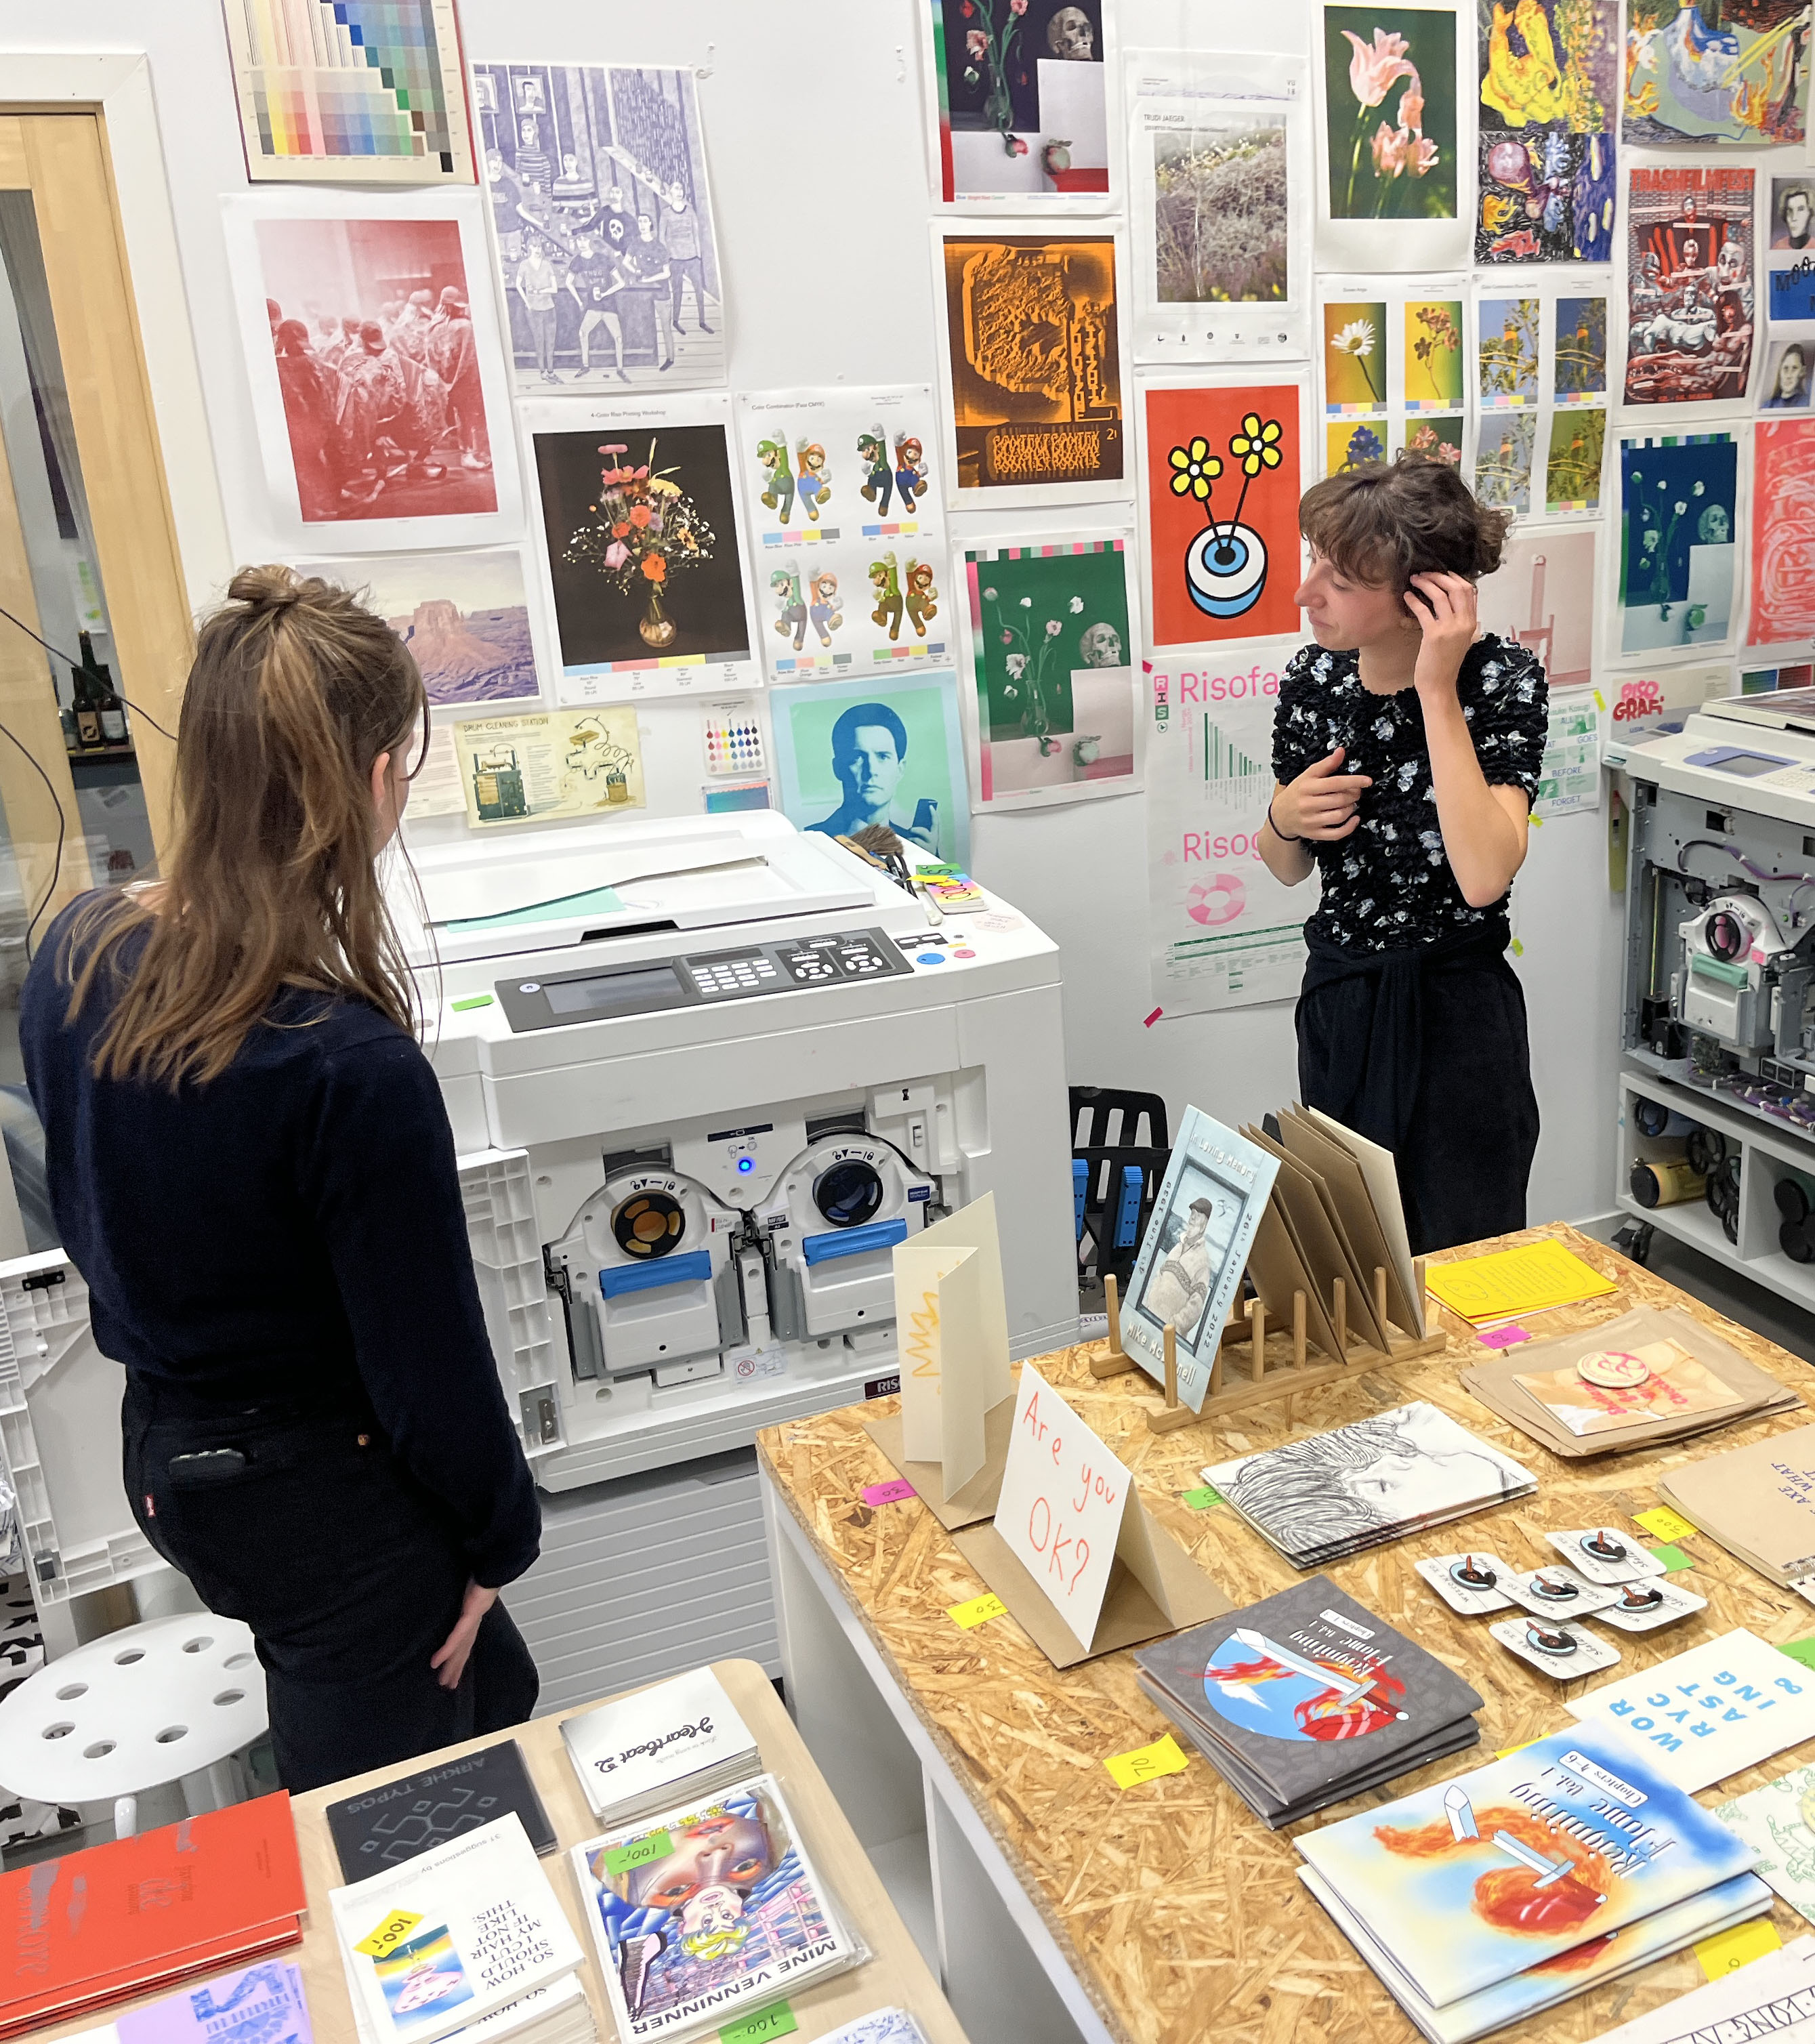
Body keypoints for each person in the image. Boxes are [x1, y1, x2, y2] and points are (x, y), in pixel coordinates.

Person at [20, 568, 541, 1792]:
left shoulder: (76, 951)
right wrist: (497, 1539)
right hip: (324, 1500)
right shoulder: (346, 1065)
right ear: (371, 779)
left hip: (169, 1462)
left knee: (498, 1686)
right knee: (389, 1819)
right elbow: (427, 1367)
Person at [1259, 455, 1547, 1255]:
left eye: (1342, 580)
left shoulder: (1501, 680)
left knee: (1467, 1256)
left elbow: (1486, 874)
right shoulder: (1313, 679)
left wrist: (1435, 687)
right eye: (1315, 560)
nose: (1306, 591)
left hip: (1456, 1016)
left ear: (1424, 593)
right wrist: (1283, 818)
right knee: (1354, 1252)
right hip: (1342, 1001)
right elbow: (1287, 865)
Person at [806, 703, 938, 850]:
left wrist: (931, 863)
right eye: (857, 757)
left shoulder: (917, 845)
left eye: (883, 756)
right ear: (838, 768)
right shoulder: (808, 842)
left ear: (900, 769)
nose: (871, 770)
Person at [1766, 340, 1810, 408]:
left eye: (1794, 368)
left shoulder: (1807, 402)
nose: (1789, 376)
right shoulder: (1768, 405)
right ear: (1780, 370)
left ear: (1802, 371)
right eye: (1786, 368)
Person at [1777, 185, 1813, 251]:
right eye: (1790, 211)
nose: (1794, 218)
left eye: (1800, 209)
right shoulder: (1778, 247)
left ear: (1810, 213)